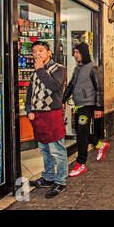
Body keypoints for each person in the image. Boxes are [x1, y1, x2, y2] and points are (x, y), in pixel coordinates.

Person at [26, 41, 68, 198]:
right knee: (44, 149)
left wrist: (40, 70)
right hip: (38, 115)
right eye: (34, 51)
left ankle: (61, 181)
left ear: (49, 53)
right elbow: (30, 92)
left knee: (57, 149)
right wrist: (29, 109)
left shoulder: (58, 69)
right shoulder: (35, 71)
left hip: (52, 114)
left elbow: (54, 86)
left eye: (41, 51)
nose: (37, 54)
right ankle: (48, 178)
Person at [62, 42, 109, 177]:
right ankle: (100, 145)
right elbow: (71, 86)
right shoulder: (78, 69)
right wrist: (63, 100)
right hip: (79, 105)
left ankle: (80, 164)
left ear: (83, 53)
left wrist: (99, 108)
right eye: (74, 52)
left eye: (77, 52)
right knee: (81, 133)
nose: (75, 55)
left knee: (81, 136)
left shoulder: (93, 68)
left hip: (88, 106)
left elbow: (99, 88)